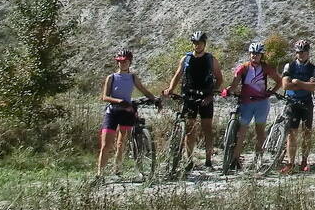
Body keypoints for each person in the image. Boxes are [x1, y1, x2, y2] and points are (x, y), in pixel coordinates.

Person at [162, 31, 222, 169]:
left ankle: (208, 160)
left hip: (206, 97)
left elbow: (219, 79)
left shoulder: (211, 59)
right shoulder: (186, 58)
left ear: (204, 44)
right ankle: (189, 160)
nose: (197, 45)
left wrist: (211, 95)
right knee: (189, 130)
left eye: (199, 43)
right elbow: (178, 75)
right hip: (189, 96)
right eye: (195, 43)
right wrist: (170, 88)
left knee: (207, 129)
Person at [96, 51, 159, 179]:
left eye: (125, 61)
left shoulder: (132, 77)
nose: (123, 63)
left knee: (121, 143)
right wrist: (119, 101)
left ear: (130, 62)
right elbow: (104, 97)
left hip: (126, 112)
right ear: (117, 63)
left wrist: (155, 99)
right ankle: (99, 174)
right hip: (113, 112)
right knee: (105, 145)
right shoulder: (111, 77)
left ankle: (117, 168)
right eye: (120, 61)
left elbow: (143, 90)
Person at [227, 42, 282, 167]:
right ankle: (235, 160)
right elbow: (234, 84)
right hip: (246, 103)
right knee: (241, 132)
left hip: (261, 103)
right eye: (252, 53)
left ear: (261, 55)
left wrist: (271, 92)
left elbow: (279, 81)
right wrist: (228, 90)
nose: (254, 56)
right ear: (249, 54)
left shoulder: (266, 68)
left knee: (260, 132)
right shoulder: (243, 68)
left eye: (257, 54)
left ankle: (258, 159)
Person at [279, 39, 315, 173]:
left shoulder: (312, 68)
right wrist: (304, 84)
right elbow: (285, 85)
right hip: (292, 102)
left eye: (303, 52)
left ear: (308, 53)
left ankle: (304, 161)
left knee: (307, 132)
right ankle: (290, 163)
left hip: (307, 102)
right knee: (292, 133)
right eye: (298, 52)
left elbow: (313, 87)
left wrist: (297, 82)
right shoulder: (289, 66)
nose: (301, 54)